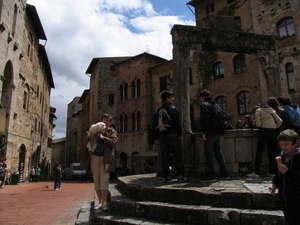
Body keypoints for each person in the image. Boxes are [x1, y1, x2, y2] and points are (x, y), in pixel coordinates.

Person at [153, 90, 188, 183]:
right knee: (177, 155)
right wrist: (180, 134)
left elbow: (155, 126)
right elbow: (177, 123)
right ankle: (180, 176)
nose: (173, 98)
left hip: (162, 137)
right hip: (173, 135)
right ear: (167, 98)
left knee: (165, 157)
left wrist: (156, 138)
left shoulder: (157, 111)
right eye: (172, 97)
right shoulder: (173, 109)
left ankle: (166, 177)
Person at [269, 129, 300, 225]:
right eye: (281, 144)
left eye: (286, 144)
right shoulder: (281, 157)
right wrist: (274, 185)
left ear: (296, 143)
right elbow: (278, 175)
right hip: (285, 200)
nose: (283, 147)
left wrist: (288, 171)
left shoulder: (298, 157)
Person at [199, 90, 230, 182]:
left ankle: (211, 174)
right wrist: (221, 133)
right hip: (217, 132)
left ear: (203, 97)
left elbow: (204, 119)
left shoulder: (204, 105)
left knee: (209, 153)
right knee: (218, 152)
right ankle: (224, 173)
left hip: (210, 132)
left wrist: (204, 133)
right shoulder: (216, 105)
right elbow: (224, 118)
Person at [248, 99, 282, 178]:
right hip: (273, 131)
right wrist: (274, 127)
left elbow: (258, 124)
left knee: (259, 151)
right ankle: (272, 171)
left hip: (264, 131)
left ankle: (257, 172)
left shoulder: (259, 111)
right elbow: (280, 121)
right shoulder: (272, 111)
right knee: (271, 151)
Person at [89, 113, 117, 211]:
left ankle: (104, 202)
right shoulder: (94, 129)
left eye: (108, 120)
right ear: (101, 120)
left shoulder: (111, 131)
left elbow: (114, 142)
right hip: (95, 157)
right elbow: (85, 140)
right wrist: (90, 137)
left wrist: (102, 138)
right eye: (105, 120)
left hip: (106, 158)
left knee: (104, 179)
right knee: (97, 180)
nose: (107, 122)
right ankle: (100, 202)